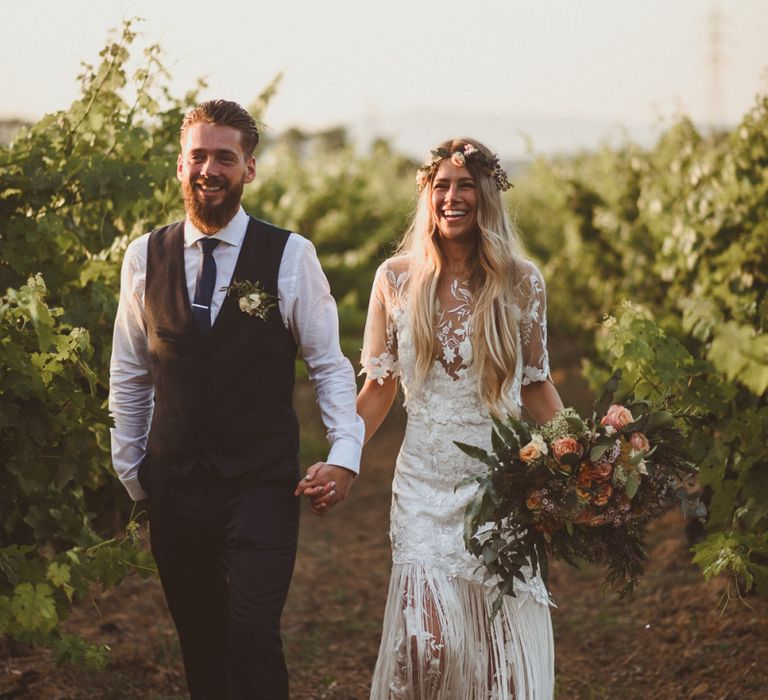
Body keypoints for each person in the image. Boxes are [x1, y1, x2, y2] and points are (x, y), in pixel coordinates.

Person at [109, 99, 364, 699]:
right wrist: (132, 470)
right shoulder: (145, 256)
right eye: (198, 155)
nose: (209, 168)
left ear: (249, 168)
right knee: (201, 641)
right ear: (179, 164)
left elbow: (328, 365)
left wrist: (344, 451)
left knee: (251, 633)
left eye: (225, 157)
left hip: (259, 482)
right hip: (173, 482)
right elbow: (130, 371)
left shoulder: (290, 255)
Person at [356, 139, 562, 698]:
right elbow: (378, 387)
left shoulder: (522, 282)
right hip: (422, 482)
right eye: (440, 186)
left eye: (465, 185)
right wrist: (340, 458)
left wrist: (579, 457)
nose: (452, 197)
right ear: (426, 195)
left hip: (501, 482)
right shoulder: (394, 279)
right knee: (428, 644)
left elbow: (537, 384)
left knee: (498, 652)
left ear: (486, 196)